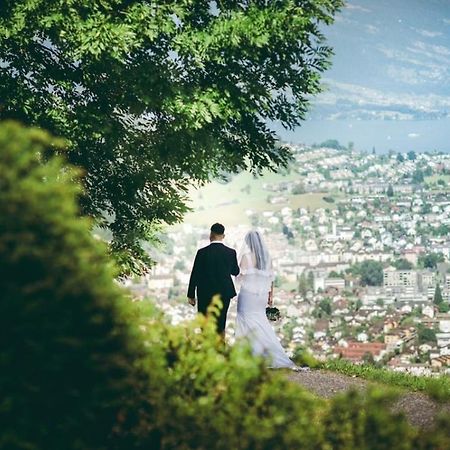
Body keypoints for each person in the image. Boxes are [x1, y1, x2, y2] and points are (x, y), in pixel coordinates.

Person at [235, 230, 303, 370]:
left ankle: (250, 356)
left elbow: (240, 278)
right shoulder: (267, 259)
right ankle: (270, 354)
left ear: (248, 242)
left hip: (248, 295)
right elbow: (271, 280)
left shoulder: (246, 257)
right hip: (262, 297)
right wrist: (270, 296)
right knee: (261, 323)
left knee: (245, 322)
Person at [187, 223, 240, 336]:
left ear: (210, 234)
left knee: (205, 323)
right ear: (223, 236)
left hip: (204, 293)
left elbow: (195, 274)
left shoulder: (201, 252)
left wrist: (191, 294)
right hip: (224, 293)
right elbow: (235, 271)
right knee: (221, 323)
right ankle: (220, 349)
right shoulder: (231, 253)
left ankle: (207, 349)